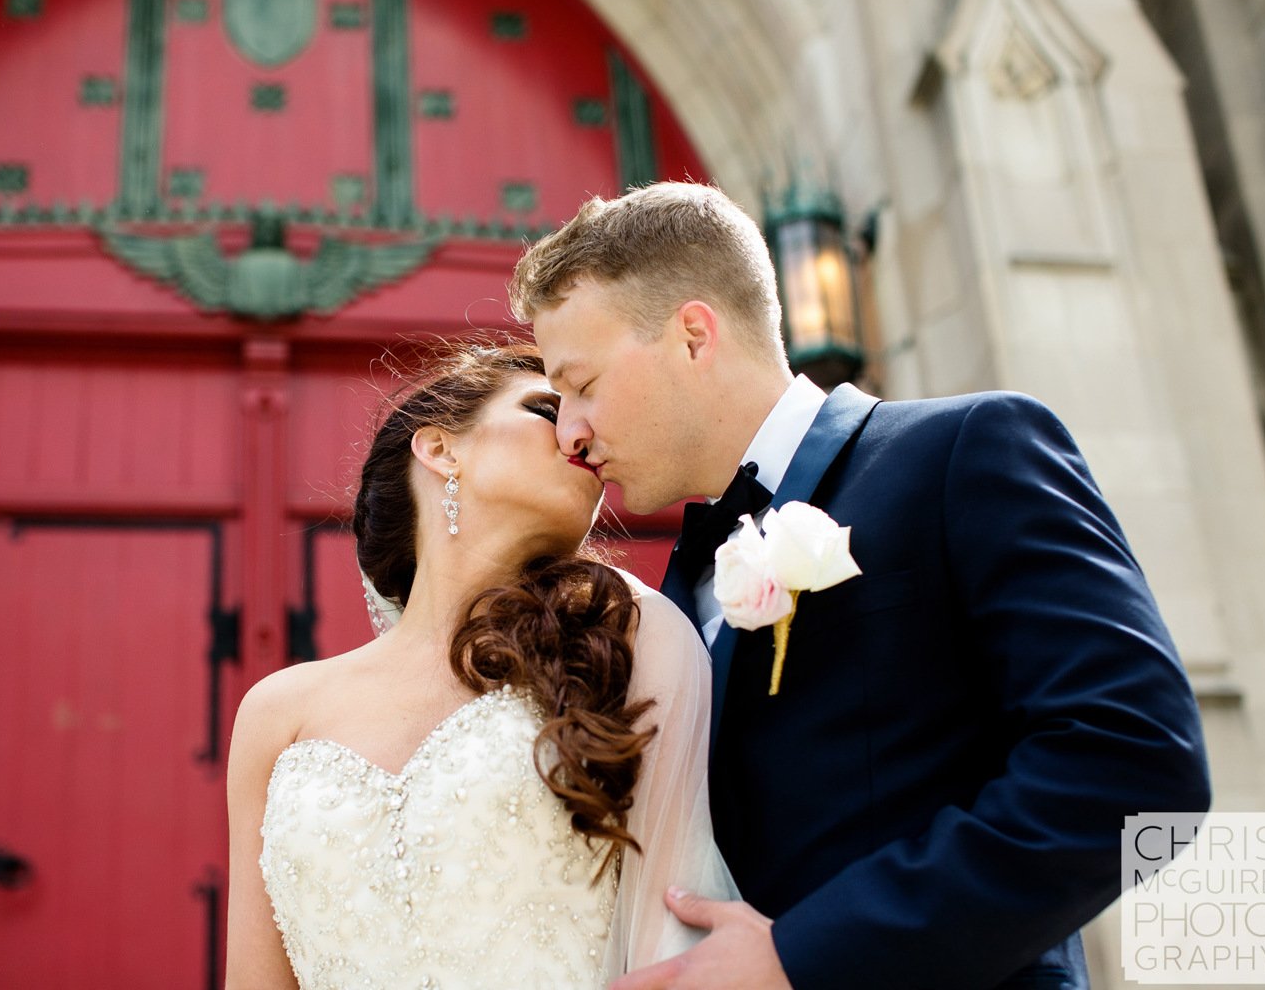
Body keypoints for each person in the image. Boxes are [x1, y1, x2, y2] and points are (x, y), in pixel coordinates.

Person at [510, 181, 1212, 989]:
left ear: (695, 336)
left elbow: (1142, 768)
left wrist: (802, 956)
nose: (571, 432)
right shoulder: (674, 591)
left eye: (583, 385)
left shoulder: (965, 453)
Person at [224, 344, 735, 989]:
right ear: (441, 450)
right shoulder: (278, 714)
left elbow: (674, 922)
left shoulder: (626, 634)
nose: (580, 434)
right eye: (547, 408)